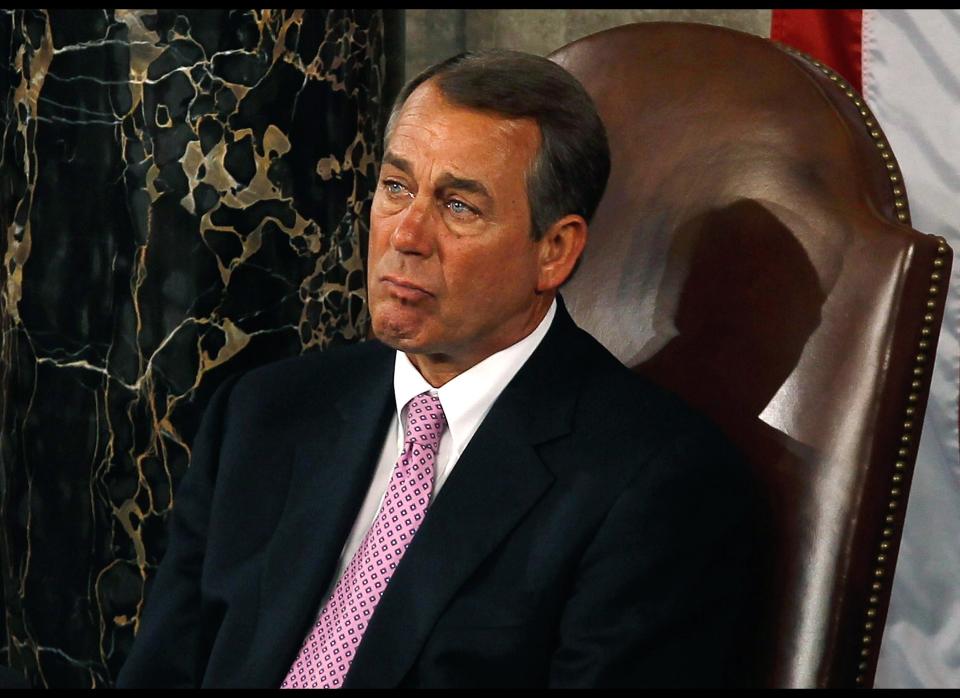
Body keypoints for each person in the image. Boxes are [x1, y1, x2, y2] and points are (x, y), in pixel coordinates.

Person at [117, 49, 758, 689]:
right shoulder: (262, 414)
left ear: (554, 251)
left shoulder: (655, 485)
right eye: (396, 187)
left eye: (458, 206)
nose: (406, 235)